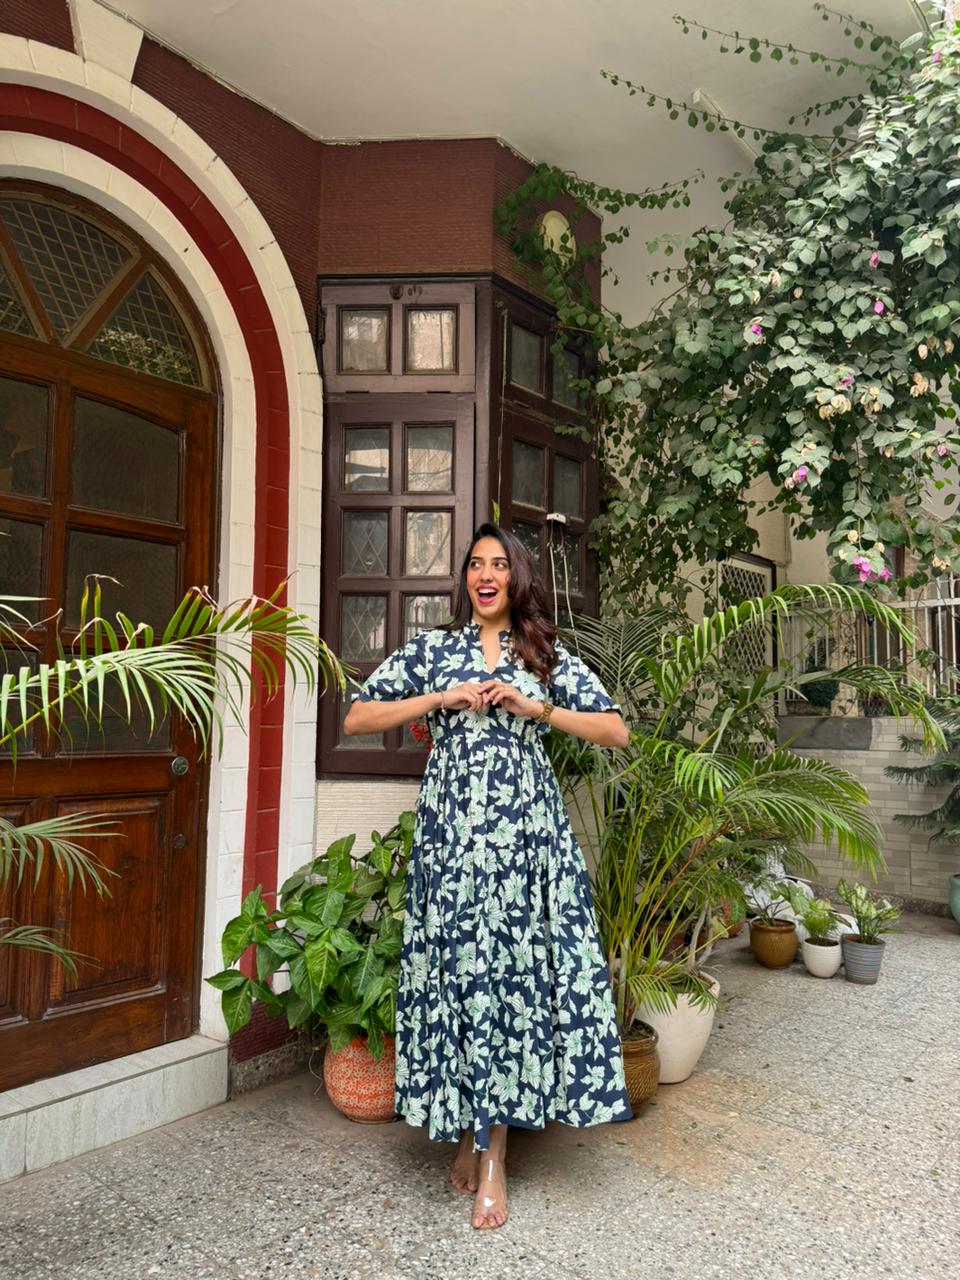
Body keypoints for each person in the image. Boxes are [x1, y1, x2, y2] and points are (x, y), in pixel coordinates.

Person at [343, 523, 632, 1230]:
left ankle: (494, 1154)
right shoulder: (434, 650)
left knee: (508, 986)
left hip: (525, 846)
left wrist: (538, 708)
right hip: (451, 846)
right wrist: (438, 700)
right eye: (476, 563)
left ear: (516, 577)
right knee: (458, 982)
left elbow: (616, 730)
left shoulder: (543, 654)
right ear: (465, 578)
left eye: (499, 564)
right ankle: (471, 1128)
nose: (486, 575)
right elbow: (357, 717)